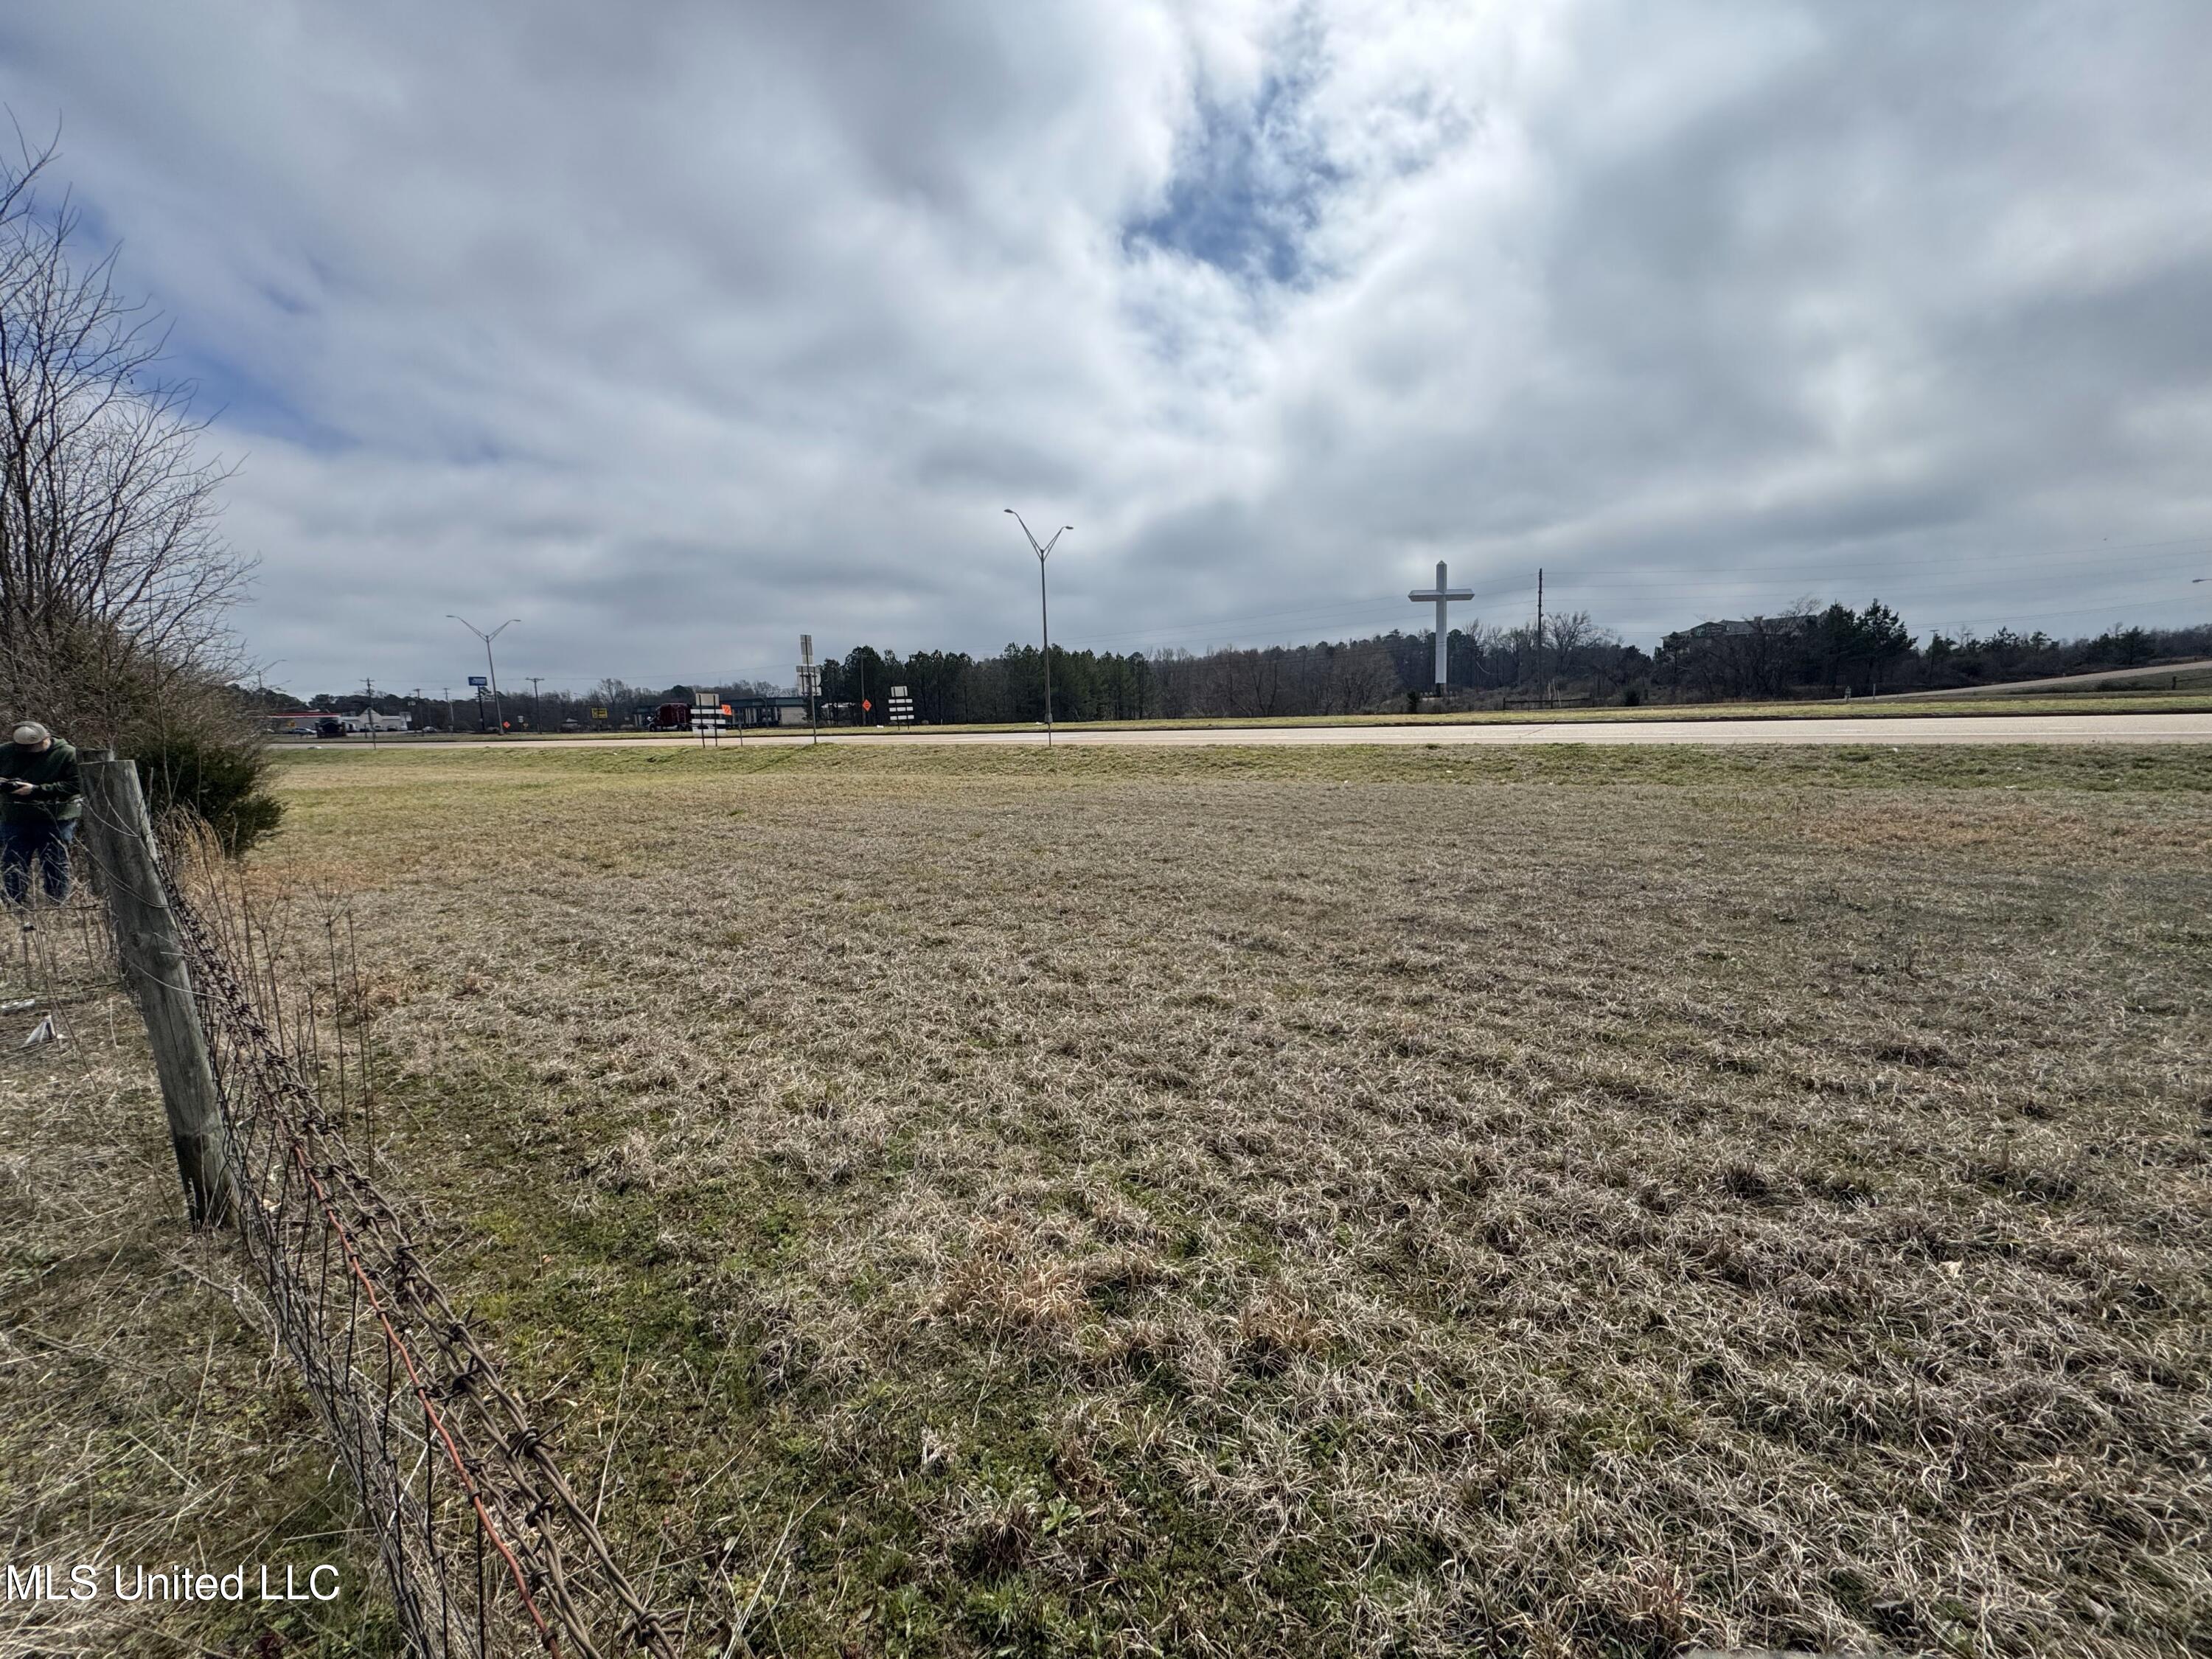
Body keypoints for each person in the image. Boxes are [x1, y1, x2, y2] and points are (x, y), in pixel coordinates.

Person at [1, 721, 83, 909]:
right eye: (23, 748)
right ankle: (14, 905)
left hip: (56, 819)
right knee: (13, 861)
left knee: (55, 862)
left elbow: (77, 784)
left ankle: (57, 906)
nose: (28, 752)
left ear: (46, 738)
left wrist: (37, 790)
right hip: (15, 817)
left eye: (32, 748)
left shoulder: (67, 754)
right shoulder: (5, 752)